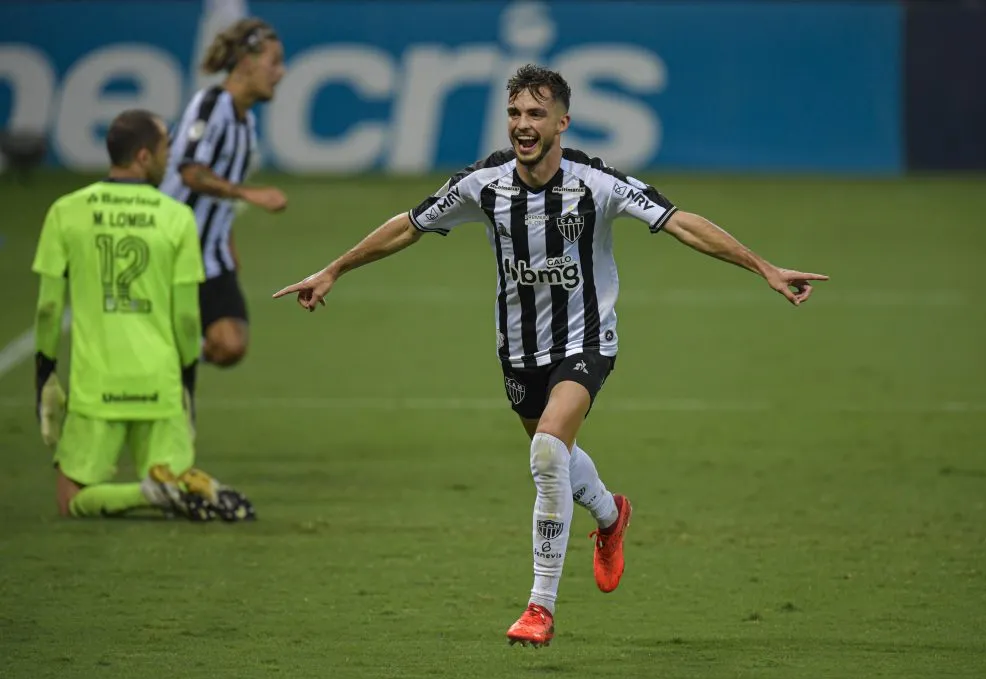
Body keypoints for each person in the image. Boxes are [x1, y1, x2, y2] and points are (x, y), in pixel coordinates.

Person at [272, 64, 829, 646]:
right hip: (518, 350)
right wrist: (335, 268)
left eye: (536, 114)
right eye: (515, 113)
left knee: (545, 455)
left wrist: (763, 266)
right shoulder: (483, 184)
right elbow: (408, 226)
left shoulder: (597, 184)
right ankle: (612, 516)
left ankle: (539, 607)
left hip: (586, 341)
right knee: (554, 455)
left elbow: (680, 223)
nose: (523, 124)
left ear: (562, 122)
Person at [32, 108, 253, 522]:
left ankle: (143, 493)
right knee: (174, 477)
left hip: (95, 386)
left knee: (72, 503)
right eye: (166, 147)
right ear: (144, 157)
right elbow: (188, 317)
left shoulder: (66, 210)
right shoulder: (176, 217)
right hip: (161, 382)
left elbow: (47, 307)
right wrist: (187, 377)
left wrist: (45, 370)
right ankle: (159, 490)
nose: (171, 157)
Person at [159, 17, 288, 371]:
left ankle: (173, 351)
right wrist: (250, 195)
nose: (281, 73)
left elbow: (217, 195)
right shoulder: (210, 106)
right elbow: (190, 171)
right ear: (247, 63)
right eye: (274, 62)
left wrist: (229, 245)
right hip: (171, 251)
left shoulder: (246, 122)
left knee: (230, 345)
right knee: (179, 366)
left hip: (212, 257)